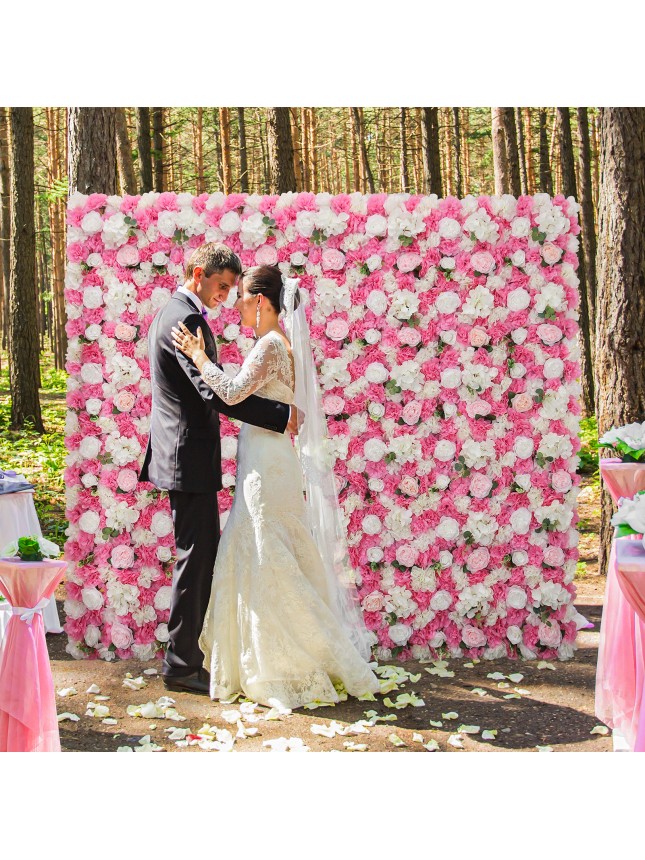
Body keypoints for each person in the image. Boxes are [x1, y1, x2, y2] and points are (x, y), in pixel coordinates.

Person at [171, 265, 379, 708]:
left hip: (265, 467)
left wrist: (199, 357)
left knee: (265, 552)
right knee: (270, 552)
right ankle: (274, 657)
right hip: (269, 458)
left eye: (241, 297)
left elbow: (230, 394)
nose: (236, 305)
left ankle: (280, 662)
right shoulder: (279, 343)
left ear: (260, 300)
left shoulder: (269, 344)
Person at [139, 244, 298, 695]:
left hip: (185, 455)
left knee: (198, 556)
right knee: (195, 559)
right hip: (186, 457)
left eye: (232, 289)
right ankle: (181, 664)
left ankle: (188, 658)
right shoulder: (186, 320)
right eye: (222, 286)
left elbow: (217, 388)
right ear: (198, 274)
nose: (226, 297)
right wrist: (281, 415)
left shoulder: (173, 312)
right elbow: (215, 394)